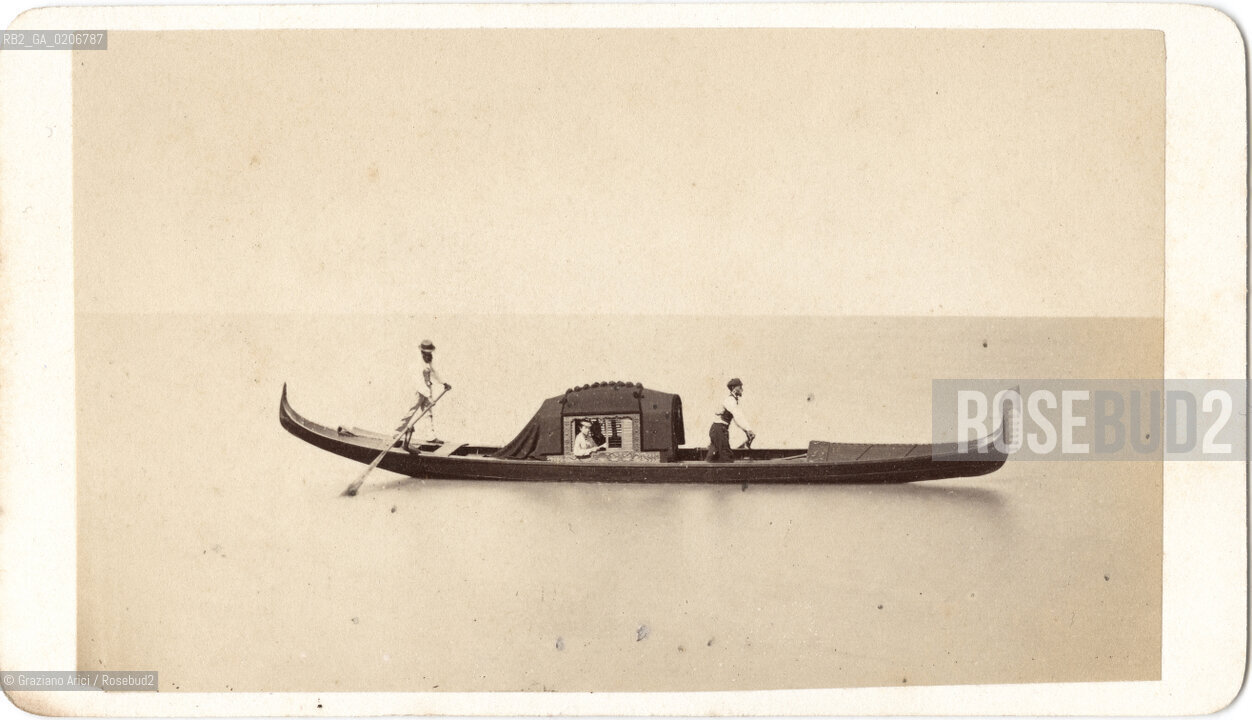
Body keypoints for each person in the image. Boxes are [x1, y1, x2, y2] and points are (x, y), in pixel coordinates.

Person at [399, 339, 451, 448]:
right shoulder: (417, 363)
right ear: (422, 352)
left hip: (427, 388)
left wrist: (444, 382)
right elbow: (418, 382)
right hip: (419, 391)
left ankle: (431, 437)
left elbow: (434, 373)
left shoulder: (428, 361)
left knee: (428, 413)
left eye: (430, 353)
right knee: (411, 410)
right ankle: (397, 432)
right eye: (427, 353)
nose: (429, 355)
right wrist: (428, 396)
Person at [706, 377, 754, 463]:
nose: (742, 389)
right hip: (719, 431)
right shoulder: (730, 400)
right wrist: (748, 430)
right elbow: (738, 416)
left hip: (718, 430)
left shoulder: (732, 400)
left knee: (713, 458)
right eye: (740, 387)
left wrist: (746, 431)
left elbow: (737, 419)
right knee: (727, 457)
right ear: (733, 388)